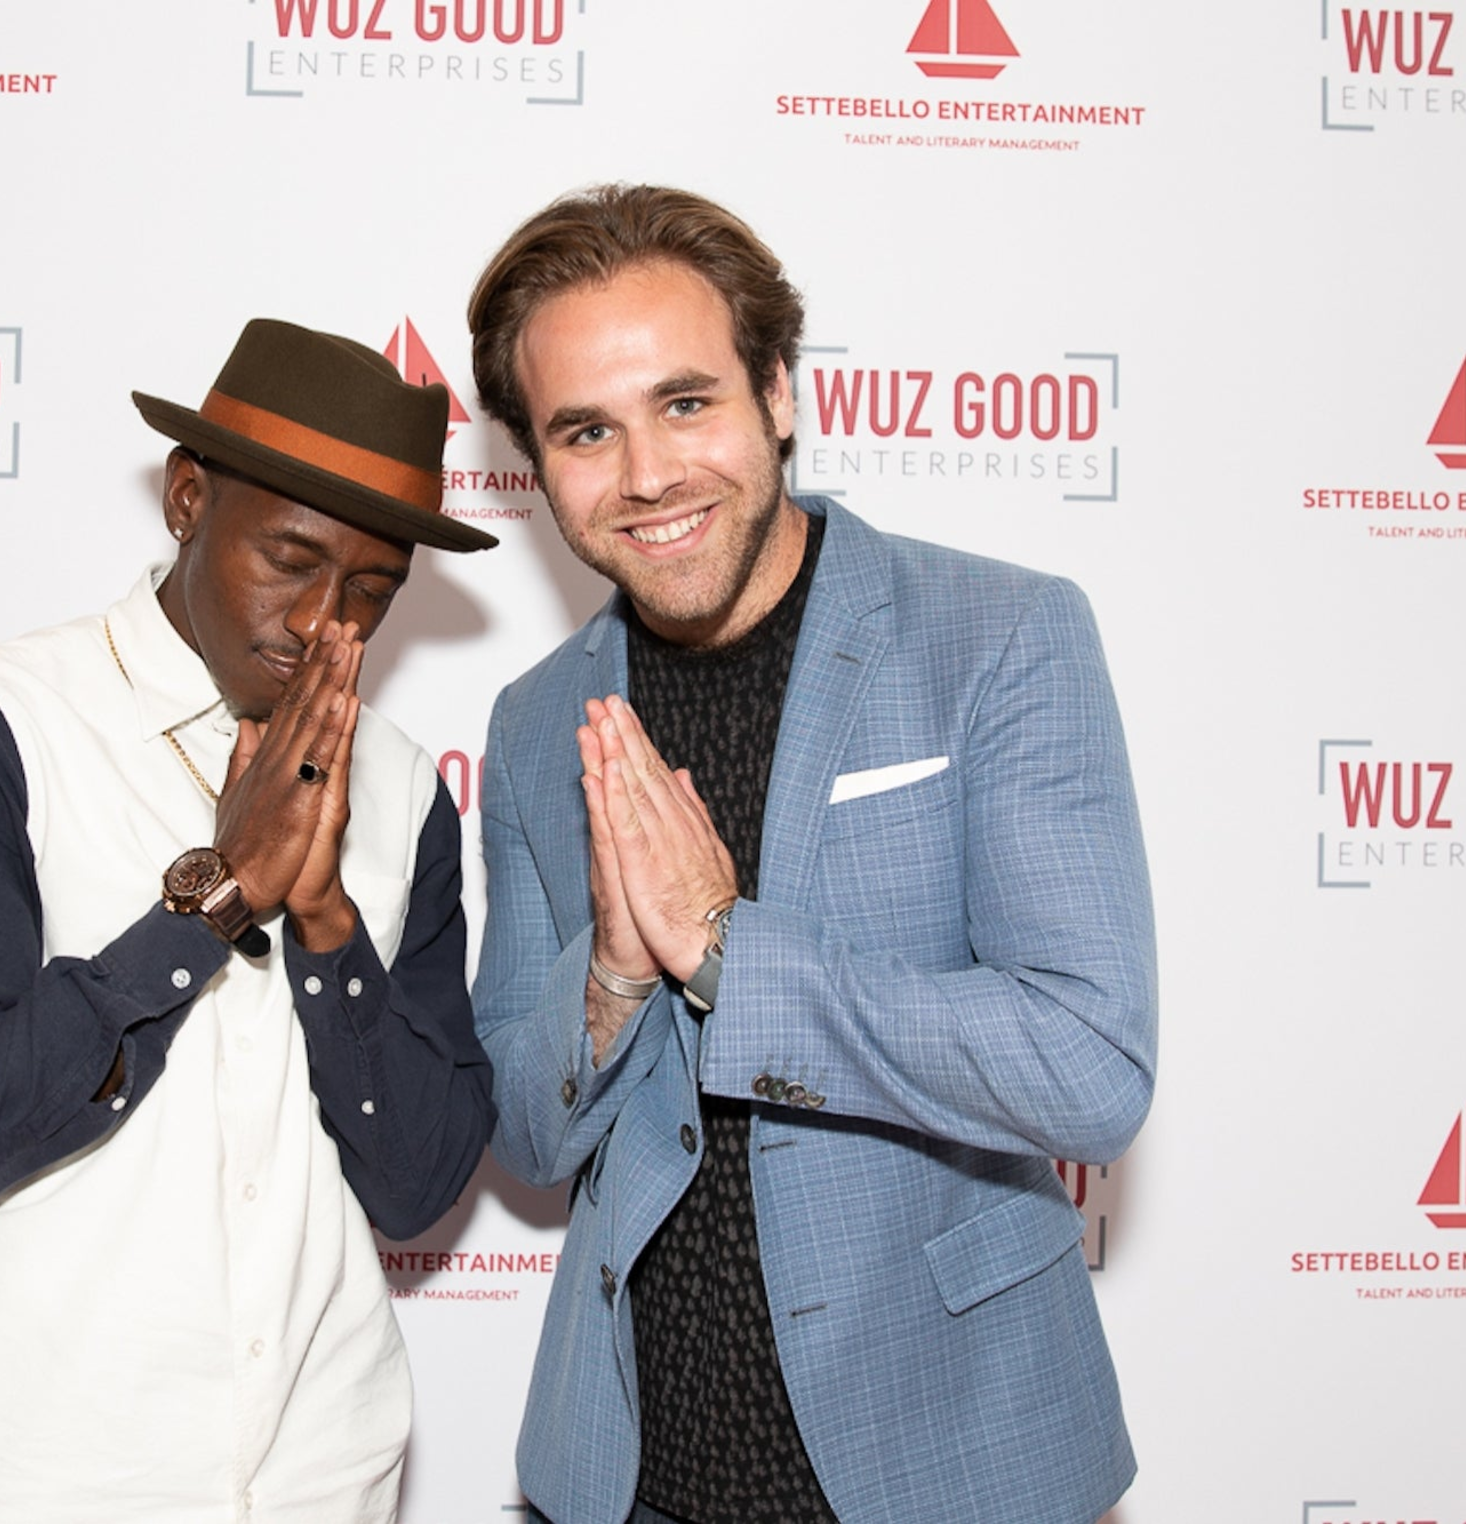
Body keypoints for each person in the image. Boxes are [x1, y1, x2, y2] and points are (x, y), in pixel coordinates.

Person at [464, 185, 1157, 1524]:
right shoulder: (536, 720)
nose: (648, 475)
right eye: (586, 431)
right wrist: (613, 977)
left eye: (685, 403)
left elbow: (1088, 1066)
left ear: (777, 392)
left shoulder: (998, 637)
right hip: (635, 1476)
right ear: (534, 465)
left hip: (949, 1467)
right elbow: (524, 1129)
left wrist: (725, 947)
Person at [0, 318, 499, 1524]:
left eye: (373, 590)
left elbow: (417, 1183)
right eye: (292, 560)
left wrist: (324, 921)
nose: (325, 624)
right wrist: (214, 897)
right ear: (188, 498)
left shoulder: (406, 790)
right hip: (50, 1488)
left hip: (327, 1482)